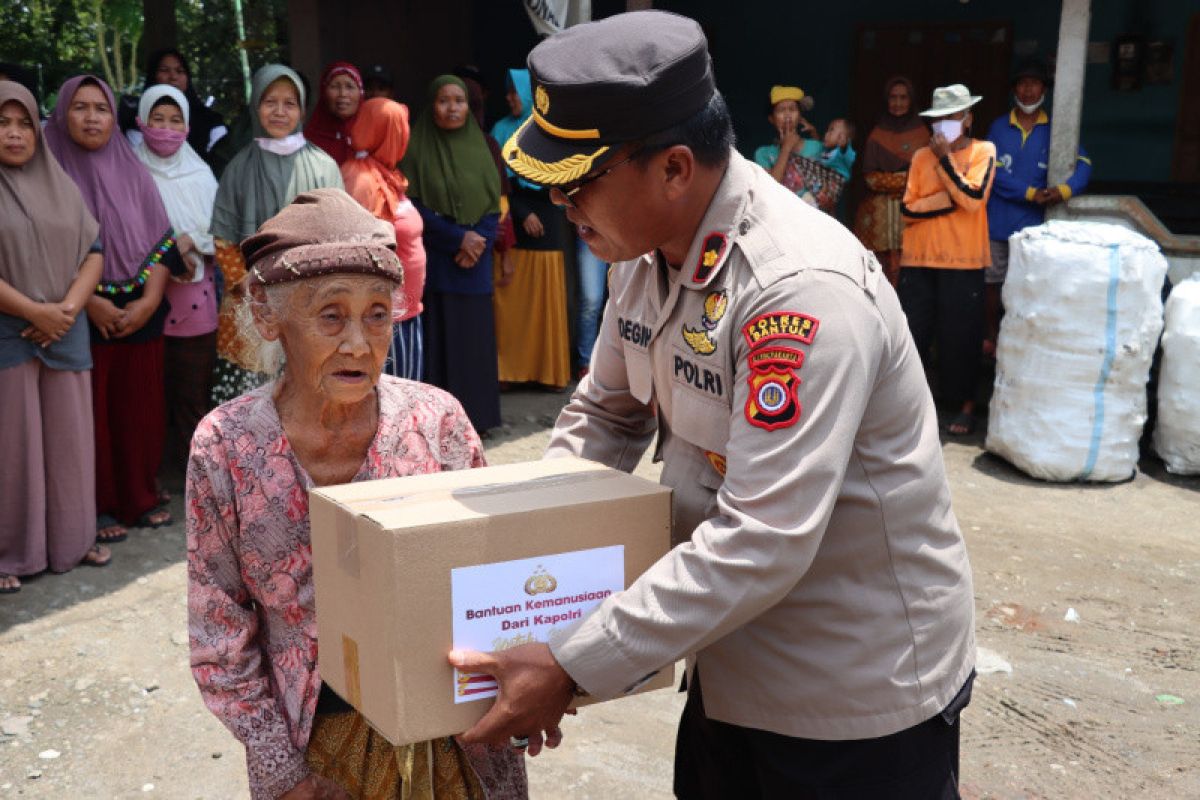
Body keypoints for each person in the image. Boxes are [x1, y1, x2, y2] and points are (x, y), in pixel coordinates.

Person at [450, 12, 976, 798]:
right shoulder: (644, 248)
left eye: (579, 179)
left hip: (854, 693)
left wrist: (571, 662)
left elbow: (764, 537)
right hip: (729, 655)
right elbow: (608, 414)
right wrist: (537, 588)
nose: (563, 203)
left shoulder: (797, 293)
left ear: (672, 168)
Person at [187, 188, 527, 800]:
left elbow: (500, 583)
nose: (358, 343)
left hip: (456, 737)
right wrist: (281, 771)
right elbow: (218, 629)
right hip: (308, 752)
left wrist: (528, 688)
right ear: (269, 318)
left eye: (377, 313)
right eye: (330, 315)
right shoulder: (226, 446)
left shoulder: (437, 421)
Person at [45, 75, 186, 539]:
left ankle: (140, 497)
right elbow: (42, 253)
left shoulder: (132, 168)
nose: (91, 118)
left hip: (141, 310)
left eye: (101, 108)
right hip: (78, 314)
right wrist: (91, 306)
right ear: (62, 114)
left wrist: (149, 300)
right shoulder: (48, 173)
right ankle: (100, 506)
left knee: (140, 410)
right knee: (91, 418)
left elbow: (162, 241)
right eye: (80, 108)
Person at [0, 80, 110, 594]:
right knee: (12, 445)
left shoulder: (59, 182)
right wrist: (34, 312)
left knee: (69, 440)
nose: (15, 134)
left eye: (23, 123)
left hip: (65, 327)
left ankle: (72, 539)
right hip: (10, 328)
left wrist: (65, 309)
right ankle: (12, 552)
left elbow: (93, 250)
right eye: (2, 123)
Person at [209, 64, 344, 406]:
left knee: (312, 398)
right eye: (271, 102)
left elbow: (341, 236)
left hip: (315, 302)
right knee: (254, 407)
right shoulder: (237, 168)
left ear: (301, 109)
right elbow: (224, 242)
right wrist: (257, 293)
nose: (280, 111)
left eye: (290, 103)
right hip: (252, 305)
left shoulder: (323, 166)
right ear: (256, 106)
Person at [401, 75, 502, 433]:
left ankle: (479, 418)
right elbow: (410, 206)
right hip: (441, 258)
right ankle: (440, 421)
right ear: (432, 105)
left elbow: (494, 205)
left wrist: (478, 241)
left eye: (459, 100)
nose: (452, 107)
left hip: (475, 261)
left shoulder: (481, 147)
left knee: (474, 340)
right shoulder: (416, 148)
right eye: (444, 100)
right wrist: (458, 239)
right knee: (442, 339)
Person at [898, 84, 997, 436]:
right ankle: (916, 404)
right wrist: (951, 199)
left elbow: (974, 198)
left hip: (963, 261)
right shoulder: (920, 157)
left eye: (953, 117)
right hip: (919, 259)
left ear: (968, 119)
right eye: (938, 119)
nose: (944, 125)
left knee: (961, 338)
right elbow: (908, 208)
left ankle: (966, 405)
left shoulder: (984, 151)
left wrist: (945, 168)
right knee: (914, 334)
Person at [131, 84, 221, 471]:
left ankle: (194, 475)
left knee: (192, 392)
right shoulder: (129, 170)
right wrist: (167, 245)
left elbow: (219, 233)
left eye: (175, 120)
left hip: (195, 299)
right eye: (158, 118)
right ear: (142, 121)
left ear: (187, 125)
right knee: (147, 393)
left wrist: (191, 241)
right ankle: (152, 474)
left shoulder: (202, 174)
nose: (166, 128)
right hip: (140, 298)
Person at [984, 59, 1092, 353]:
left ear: (1044, 88)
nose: (1028, 90)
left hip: (1033, 226)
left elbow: (1083, 163)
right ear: (1014, 90)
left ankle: (1019, 338)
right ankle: (992, 336)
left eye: (1034, 83)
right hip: (998, 221)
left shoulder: (1056, 129)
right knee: (992, 283)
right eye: (1022, 83)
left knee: (1027, 285)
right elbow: (991, 172)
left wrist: (1065, 190)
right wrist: (1031, 193)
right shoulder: (998, 127)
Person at [489, 68, 571, 390]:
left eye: (514, 92)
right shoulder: (500, 129)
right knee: (513, 300)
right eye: (508, 92)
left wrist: (537, 210)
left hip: (550, 219)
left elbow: (562, 174)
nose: (509, 98)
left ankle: (546, 372)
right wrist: (522, 213)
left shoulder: (549, 131)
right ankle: (510, 371)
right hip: (514, 219)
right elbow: (500, 179)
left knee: (545, 300)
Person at [341, 97, 427, 380]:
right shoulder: (362, 180)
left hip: (404, 312)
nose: (404, 137)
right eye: (398, 129)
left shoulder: (386, 175)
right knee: (389, 399)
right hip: (384, 316)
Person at [853, 76, 929, 286]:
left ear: (911, 101)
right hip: (880, 218)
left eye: (903, 98)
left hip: (912, 211)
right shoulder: (877, 135)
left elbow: (928, 175)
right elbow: (869, 178)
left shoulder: (923, 134)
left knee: (911, 270)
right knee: (879, 272)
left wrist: (899, 181)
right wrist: (906, 180)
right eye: (893, 98)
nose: (898, 103)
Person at [120, 48, 229, 174]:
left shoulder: (210, 122)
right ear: (152, 76)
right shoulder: (137, 122)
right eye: (164, 70)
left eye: (180, 71)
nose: (173, 77)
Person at [754, 87, 852, 214]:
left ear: (800, 116)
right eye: (781, 110)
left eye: (792, 109)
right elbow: (769, 192)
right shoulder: (763, 154)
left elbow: (831, 194)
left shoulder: (817, 147)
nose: (787, 115)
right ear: (771, 119)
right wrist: (786, 149)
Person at [304, 61, 363, 165]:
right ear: (324, 93)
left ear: (360, 93)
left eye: (349, 87)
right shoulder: (310, 141)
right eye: (335, 86)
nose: (343, 94)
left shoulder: (371, 138)